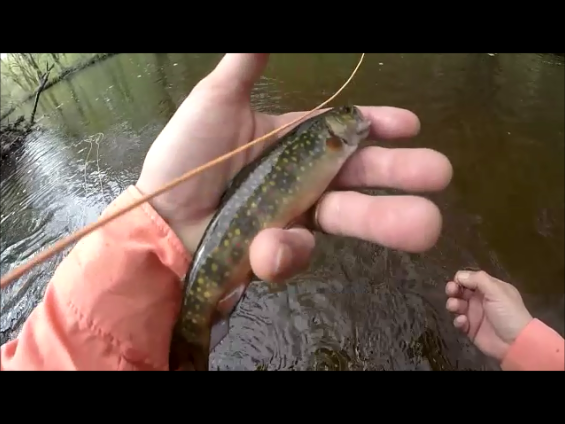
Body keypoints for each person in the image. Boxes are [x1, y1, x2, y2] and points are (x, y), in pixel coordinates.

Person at [0, 54, 561, 371]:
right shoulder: (329, 137)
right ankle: (190, 330)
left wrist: (159, 228)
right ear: (332, 132)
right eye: (345, 115)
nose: (353, 117)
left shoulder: (328, 141)